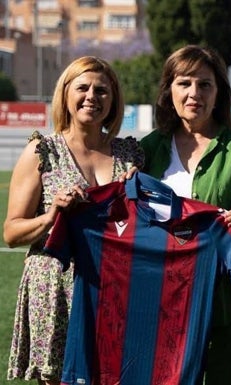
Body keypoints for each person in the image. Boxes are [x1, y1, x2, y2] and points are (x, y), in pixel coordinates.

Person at [139, 45, 231, 385]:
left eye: (205, 85)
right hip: (158, 299)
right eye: (184, 83)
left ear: (219, 94)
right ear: (169, 90)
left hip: (226, 305)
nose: (194, 93)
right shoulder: (146, 150)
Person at [3, 56, 144, 385]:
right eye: (82, 87)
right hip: (55, 290)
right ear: (65, 94)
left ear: (114, 99)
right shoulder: (43, 150)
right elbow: (11, 232)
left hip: (113, 286)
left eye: (102, 90)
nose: (92, 96)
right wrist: (52, 216)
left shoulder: (131, 155)